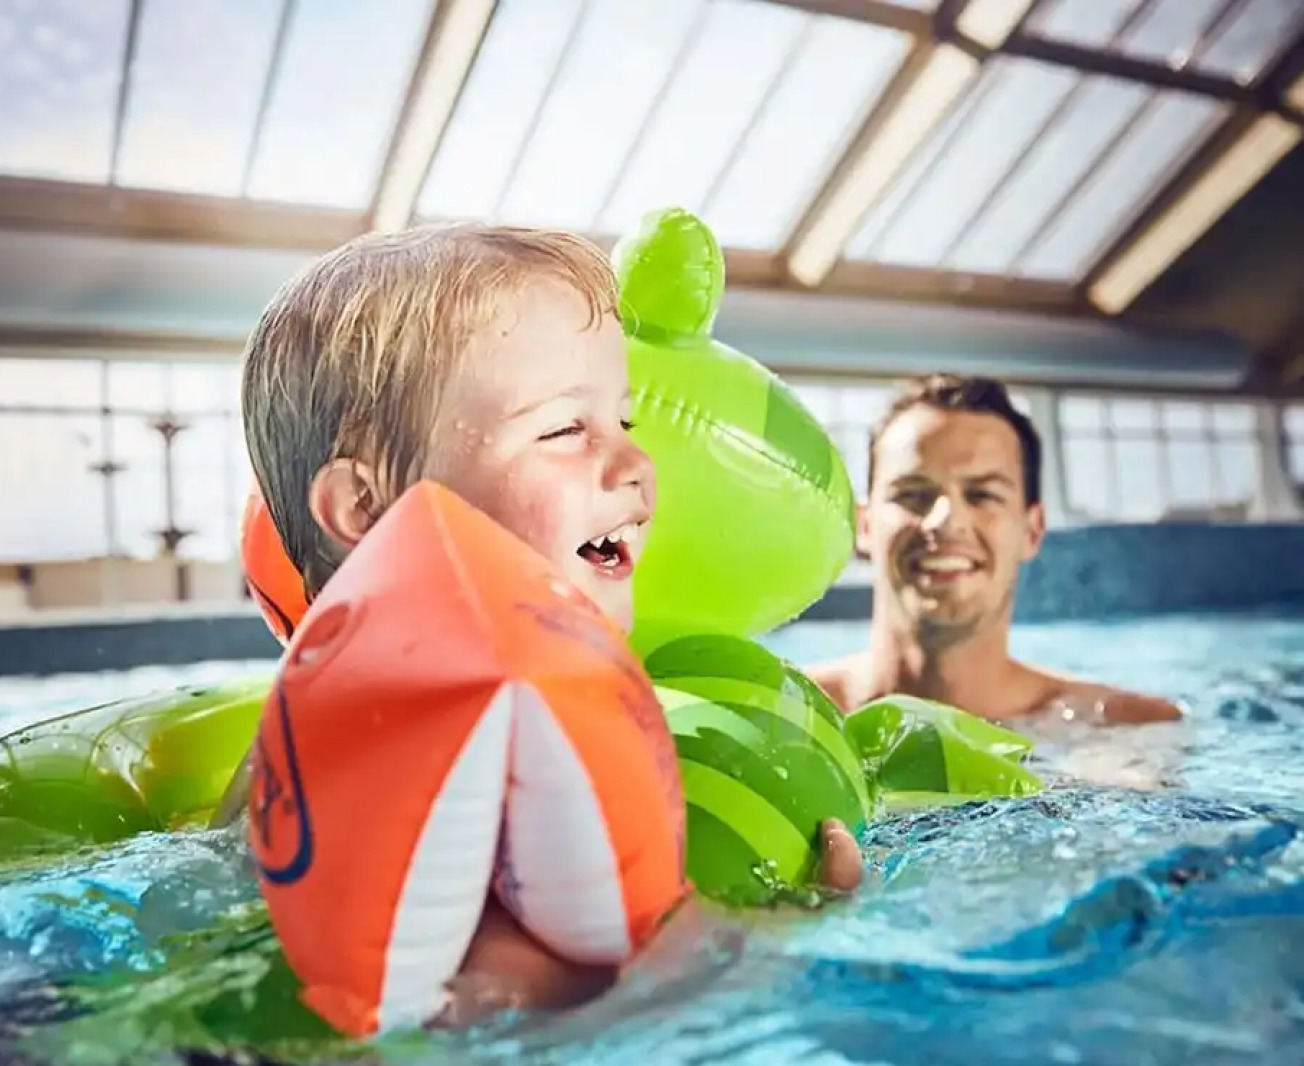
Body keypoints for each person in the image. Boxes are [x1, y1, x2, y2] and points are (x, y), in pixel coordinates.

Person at [237, 221, 864, 1024]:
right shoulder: (444, 766)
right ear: (365, 506)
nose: (638, 464)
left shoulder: (296, 759)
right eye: (567, 429)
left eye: (627, 423)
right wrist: (807, 929)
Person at [807, 374, 1182, 728]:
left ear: (1031, 531)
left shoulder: (1123, 728)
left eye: (982, 494)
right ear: (865, 526)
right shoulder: (787, 713)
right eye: (912, 494)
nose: (945, 521)